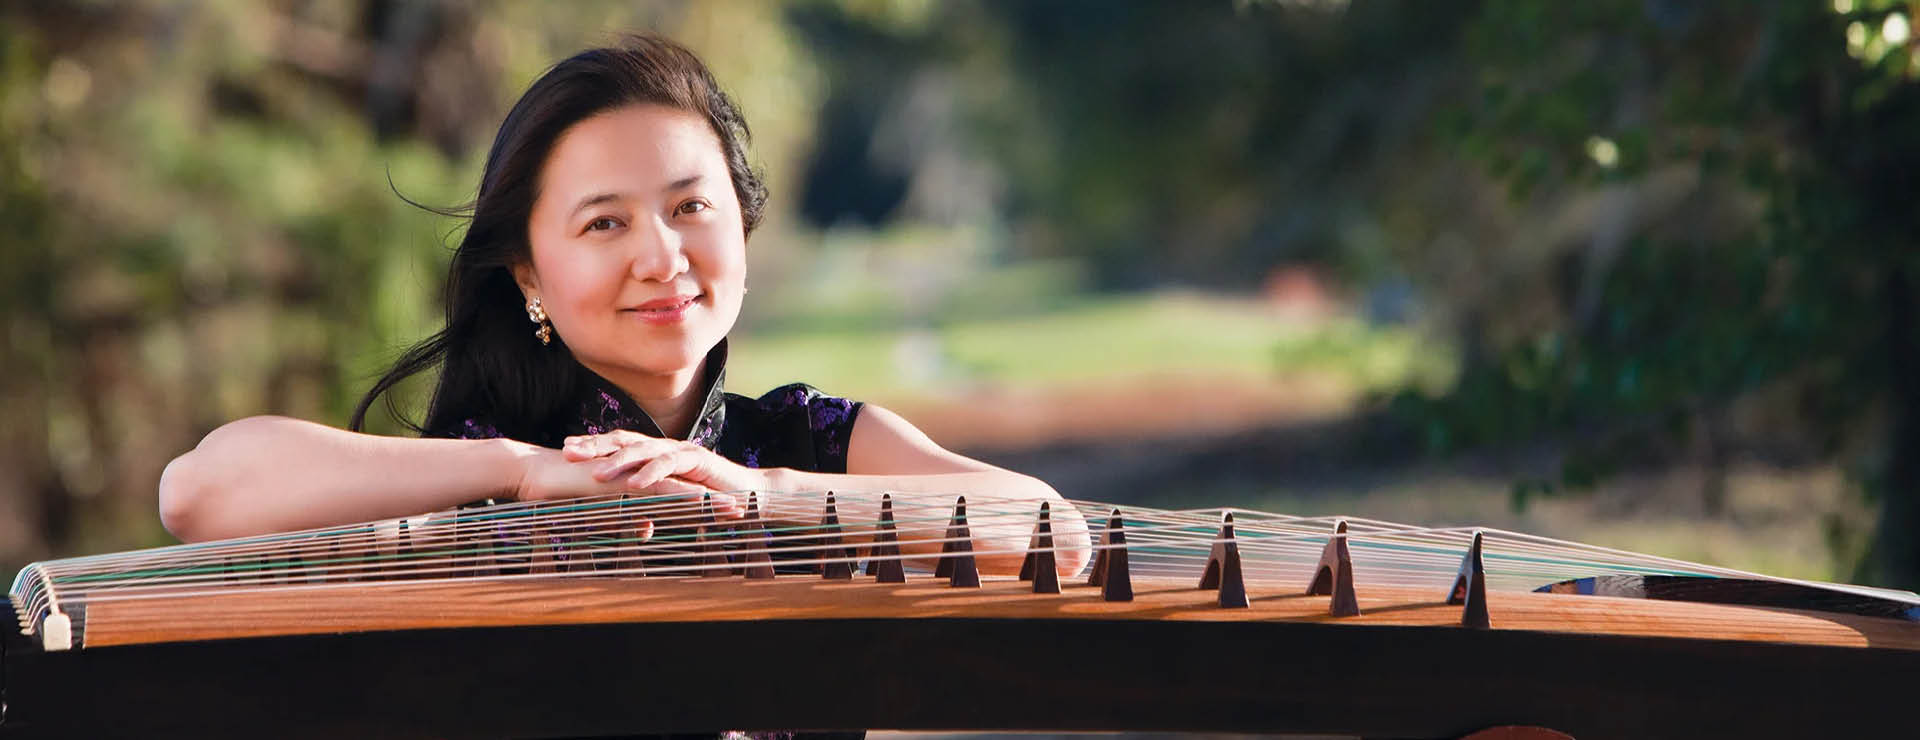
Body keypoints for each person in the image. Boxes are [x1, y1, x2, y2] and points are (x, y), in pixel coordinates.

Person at [156, 34, 1088, 576]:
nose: (661, 257)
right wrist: (525, 473)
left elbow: (1058, 535)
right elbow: (197, 493)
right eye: (605, 224)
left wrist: (761, 493)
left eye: (691, 208)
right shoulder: (476, 473)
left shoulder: (813, 444)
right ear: (528, 275)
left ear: (743, 229)